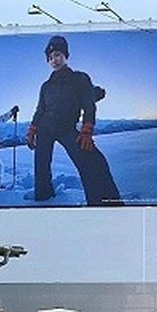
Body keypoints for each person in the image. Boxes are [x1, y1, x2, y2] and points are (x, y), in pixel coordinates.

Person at [26, 35, 121, 206]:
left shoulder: (80, 78)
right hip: (45, 128)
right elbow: (40, 109)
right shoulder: (46, 86)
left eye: (57, 55)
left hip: (66, 128)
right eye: (50, 57)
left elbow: (89, 105)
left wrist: (86, 131)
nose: (54, 60)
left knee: (94, 161)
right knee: (41, 165)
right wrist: (33, 130)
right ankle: (43, 198)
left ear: (65, 55)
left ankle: (105, 205)